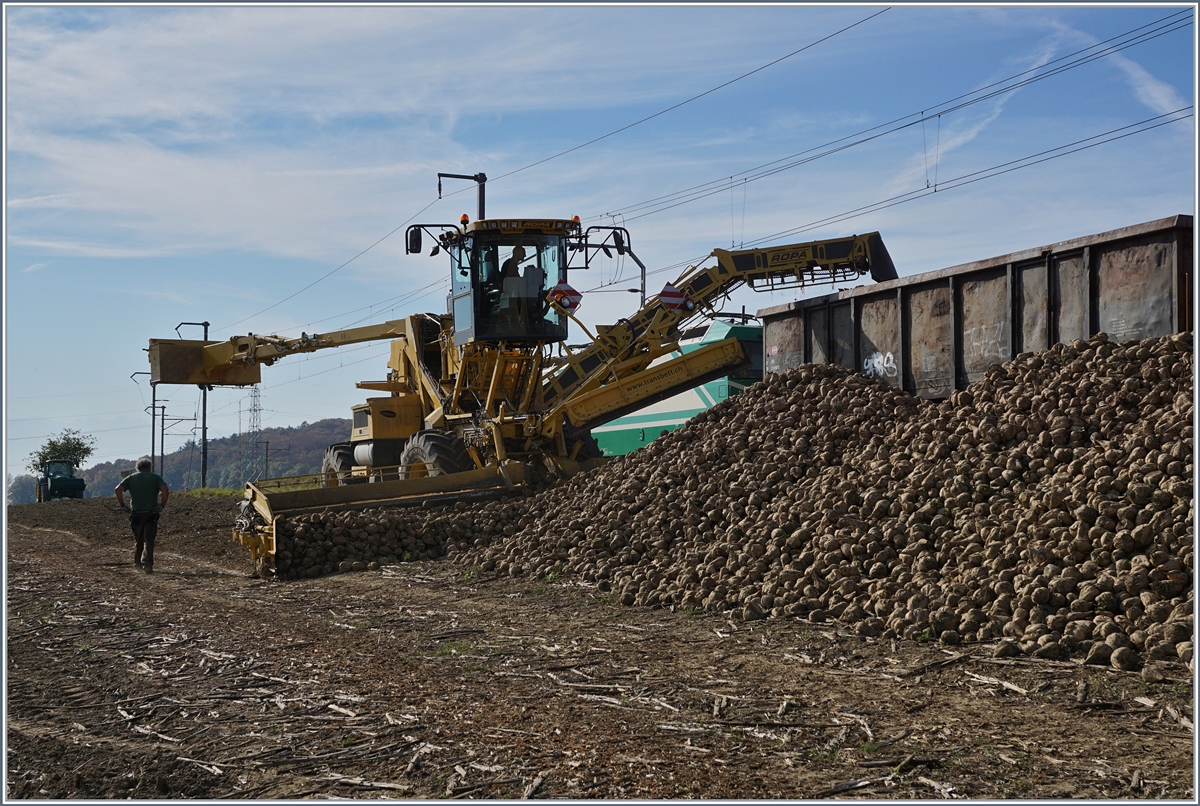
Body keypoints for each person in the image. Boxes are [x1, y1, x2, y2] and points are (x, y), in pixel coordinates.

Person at [115, 458, 169, 573]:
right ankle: (148, 564)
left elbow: (118, 489)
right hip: (151, 513)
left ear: (137, 467)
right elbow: (165, 489)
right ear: (150, 467)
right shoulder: (155, 478)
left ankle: (137, 563)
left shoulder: (131, 478)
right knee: (149, 540)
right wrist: (162, 505)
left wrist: (123, 505)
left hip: (136, 514)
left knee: (138, 539)